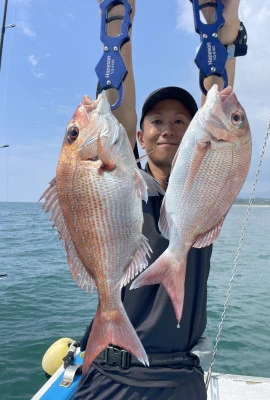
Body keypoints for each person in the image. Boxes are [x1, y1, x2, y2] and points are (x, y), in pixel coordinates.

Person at [73, 1, 243, 399]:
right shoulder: (123, 182)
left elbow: (218, 99)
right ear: (139, 136)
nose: (167, 129)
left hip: (179, 376)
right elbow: (118, 107)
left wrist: (226, 21)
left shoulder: (204, 186)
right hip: (108, 373)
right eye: (156, 122)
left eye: (180, 121)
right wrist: (119, 13)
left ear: (194, 136)